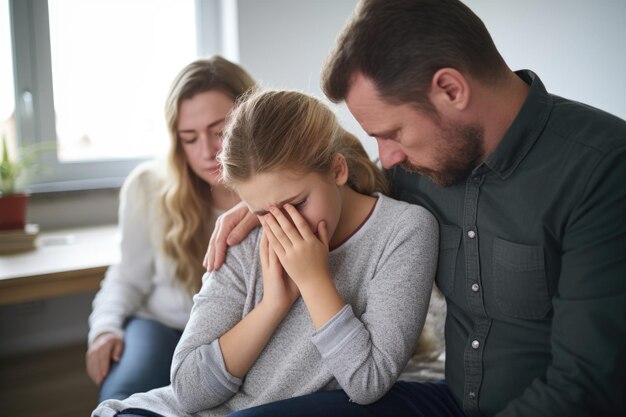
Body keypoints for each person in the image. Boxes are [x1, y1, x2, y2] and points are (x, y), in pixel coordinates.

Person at [205, 1, 626, 416]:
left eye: (392, 133)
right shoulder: (416, 164)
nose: (387, 158)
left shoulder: (603, 168)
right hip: (447, 402)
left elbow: (584, 383)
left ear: (450, 90)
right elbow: (341, 180)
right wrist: (261, 203)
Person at [91, 89, 439, 417]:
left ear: (337, 169)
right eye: (263, 211)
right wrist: (272, 305)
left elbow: (367, 382)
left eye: (297, 203)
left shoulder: (404, 230)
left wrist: (313, 279)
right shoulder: (245, 233)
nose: (286, 227)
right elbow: (188, 388)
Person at [86, 56, 256, 402]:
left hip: (239, 336)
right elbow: (127, 276)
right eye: (189, 138)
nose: (208, 152)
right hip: (163, 326)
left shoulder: (281, 184)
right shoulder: (148, 187)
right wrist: (104, 328)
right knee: (119, 403)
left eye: (220, 132)